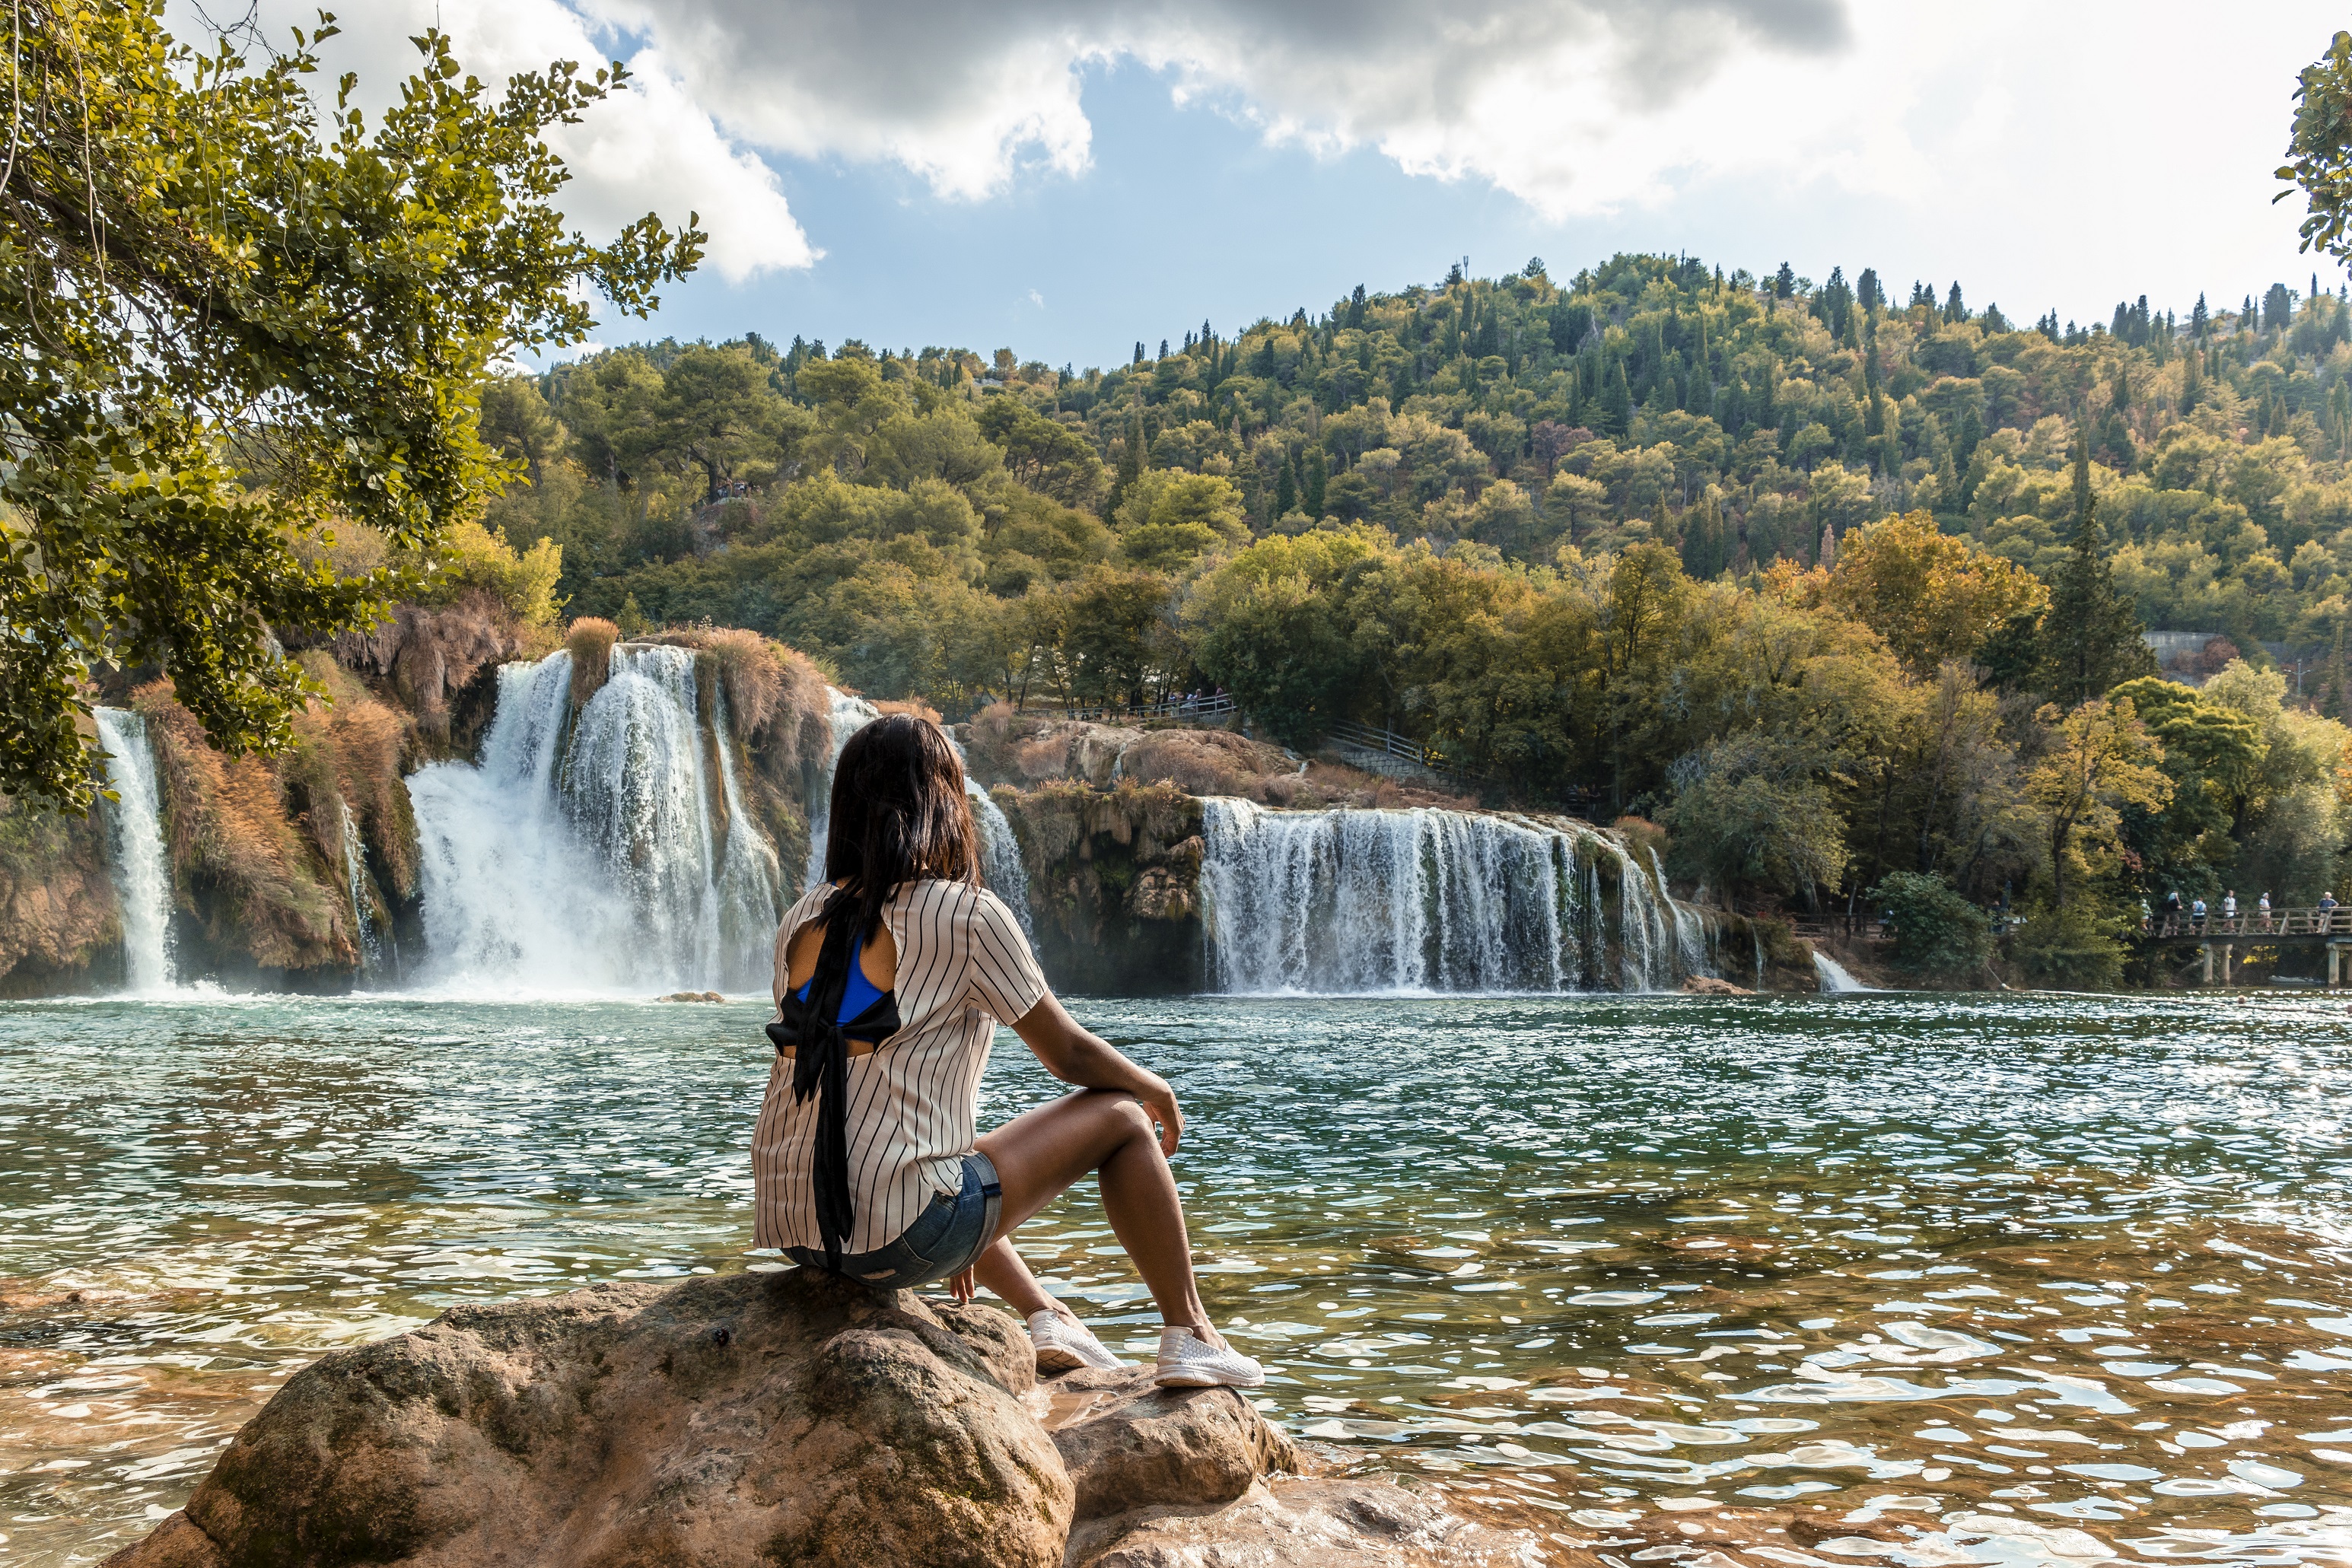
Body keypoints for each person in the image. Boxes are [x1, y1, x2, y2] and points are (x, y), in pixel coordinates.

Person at [754, 713, 1262, 1388]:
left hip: (799, 1234)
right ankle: (1191, 1332)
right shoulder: (966, 913)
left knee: (949, 1157)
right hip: (896, 1236)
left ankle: (1046, 1313)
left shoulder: (803, 915)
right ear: (943, 799)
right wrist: (1154, 1086)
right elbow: (1070, 1055)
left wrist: (965, 1203)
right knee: (1120, 1115)